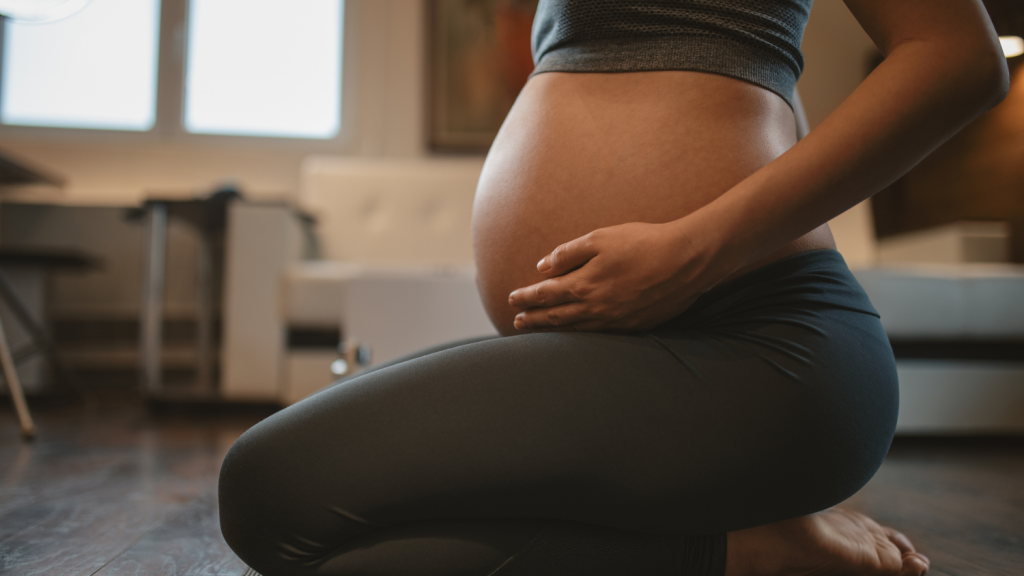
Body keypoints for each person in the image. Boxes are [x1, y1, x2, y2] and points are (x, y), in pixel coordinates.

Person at [219, 1, 1009, 574]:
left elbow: (959, 56)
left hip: (765, 348)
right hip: (633, 365)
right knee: (343, 552)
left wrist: (693, 249)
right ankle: (727, 548)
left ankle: (753, 554)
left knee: (272, 488)